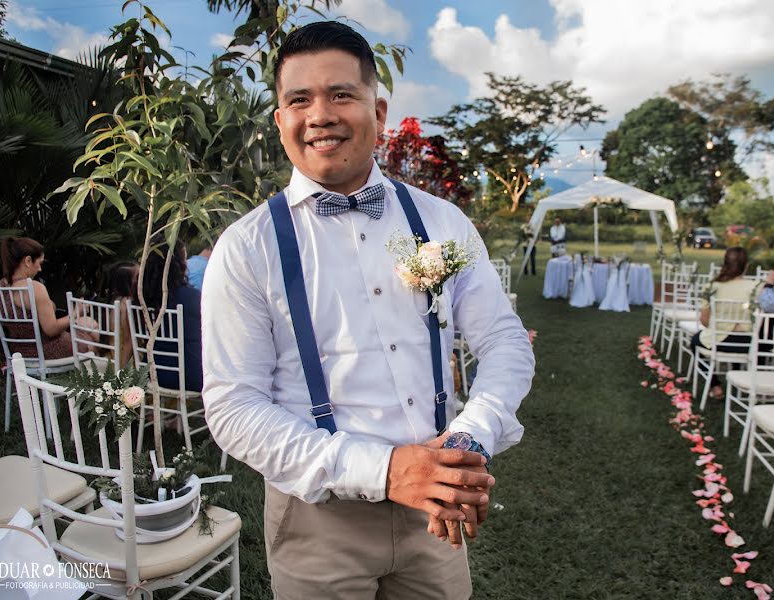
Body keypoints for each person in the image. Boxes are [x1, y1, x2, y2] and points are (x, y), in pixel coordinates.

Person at [202, 21, 533, 600]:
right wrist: (383, 470)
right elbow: (233, 404)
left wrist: (469, 442)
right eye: (298, 99)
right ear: (279, 120)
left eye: (341, 95)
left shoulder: (443, 222)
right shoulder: (246, 246)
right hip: (317, 520)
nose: (320, 114)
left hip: (436, 514)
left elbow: (504, 340)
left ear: (378, 111)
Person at [0, 237, 96, 359]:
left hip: (19, 352)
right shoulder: (34, 288)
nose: (40, 269)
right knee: (91, 337)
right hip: (47, 349)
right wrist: (75, 313)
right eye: (39, 263)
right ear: (27, 261)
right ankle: (90, 376)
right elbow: (51, 329)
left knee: (87, 326)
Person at [688, 247, 759, 401]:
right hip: (749, 344)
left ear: (724, 263)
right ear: (746, 265)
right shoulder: (757, 287)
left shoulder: (712, 286)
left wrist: (719, 328)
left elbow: (704, 320)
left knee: (695, 342)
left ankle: (715, 385)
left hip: (719, 342)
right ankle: (746, 383)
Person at [142, 239, 203, 393]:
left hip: (152, 371)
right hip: (189, 376)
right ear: (179, 265)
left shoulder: (142, 299)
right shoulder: (191, 297)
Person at [106, 261, 139, 368]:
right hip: (126, 362)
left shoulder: (115, 300)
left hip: (113, 358)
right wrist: (122, 372)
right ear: (129, 283)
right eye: (138, 276)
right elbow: (128, 340)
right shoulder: (126, 304)